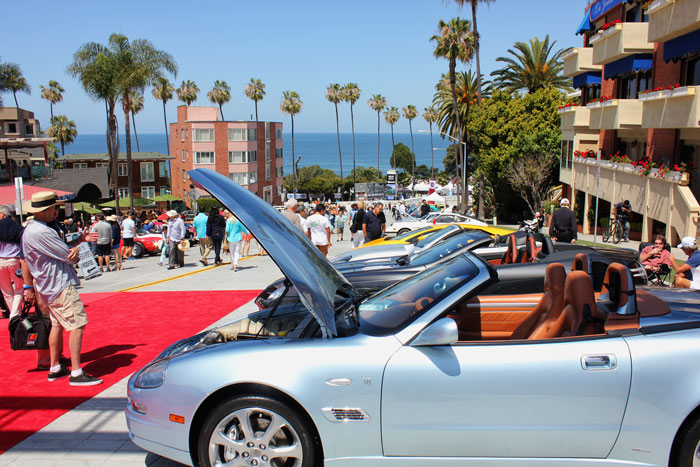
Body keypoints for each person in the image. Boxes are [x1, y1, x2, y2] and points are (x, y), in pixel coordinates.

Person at [21, 191, 102, 386]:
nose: (56, 212)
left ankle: (55, 366)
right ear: (47, 210)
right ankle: (76, 372)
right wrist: (75, 250)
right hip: (58, 283)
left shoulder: (30, 230)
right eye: (54, 208)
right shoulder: (42, 231)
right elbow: (67, 255)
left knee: (56, 324)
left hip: (47, 284)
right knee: (77, 324)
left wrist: (77, 243)